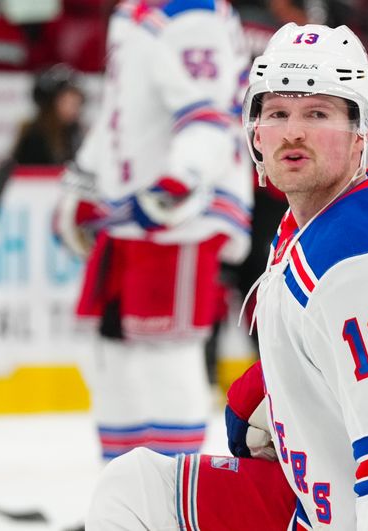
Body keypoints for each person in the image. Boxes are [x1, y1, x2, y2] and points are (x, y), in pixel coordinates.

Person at [86, 23, 368, 531]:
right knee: (136, 489)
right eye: (277, 112)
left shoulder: (359, 261)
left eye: (318, 113)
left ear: (360, 131)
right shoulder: (333, 215)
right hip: (340, 496)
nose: (293, 131)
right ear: (254, 130)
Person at [54, 0, 253, 461]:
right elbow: (116, 115)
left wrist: (177, 183)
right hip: (127, 218)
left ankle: (170, 501)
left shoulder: (191, 13)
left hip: (178, 223)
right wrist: (82, 182)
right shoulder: (134, 14)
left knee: (168, 359)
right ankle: (120, 501)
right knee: (113, 358)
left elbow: (208, 119)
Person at [12, 63, 86, 165]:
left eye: (78, 103)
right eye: (68, 102)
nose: (75, 108)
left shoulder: (74, 134)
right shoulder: (35, 139)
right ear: (50, 104)